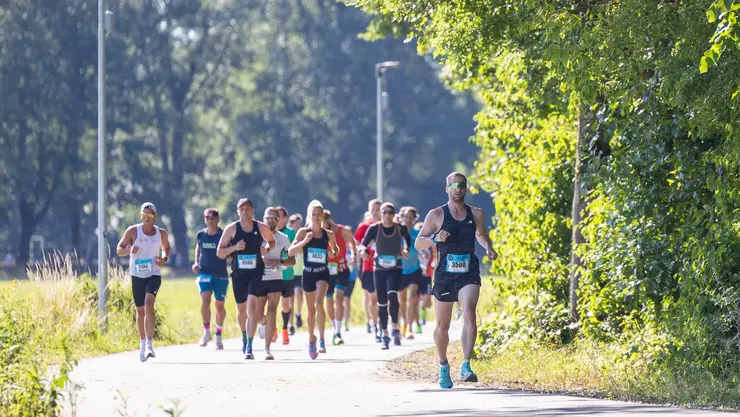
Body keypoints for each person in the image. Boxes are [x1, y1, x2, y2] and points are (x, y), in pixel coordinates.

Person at [415, 172, 499, 388]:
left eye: (461, 185)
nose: (458, 188)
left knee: (470, 313)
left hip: (468, 272)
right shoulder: (436, 215)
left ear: (466, 188)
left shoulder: (476, 213)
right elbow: (419, 242)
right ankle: (443, 365)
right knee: (443, 325)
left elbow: (481, 234)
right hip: (444, 274)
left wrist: (488, 248)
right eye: (453, 185)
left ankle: (466, 365)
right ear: (447, 188)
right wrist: (435, 237)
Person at [216, 198, 276, 360]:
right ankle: (244, 335)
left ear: (252, 210)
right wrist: (235, 247)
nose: (245, 212)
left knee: (252, 306)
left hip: (256, 272)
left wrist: (266, 248)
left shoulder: (261, 227)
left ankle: (249, 345)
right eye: (242, 209)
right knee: (241, 310)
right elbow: (220, 252)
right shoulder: (231, 229)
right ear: (238, 211)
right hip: (238, 274)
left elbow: (272, 241)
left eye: (248, 209)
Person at [116, 202, 171, 362]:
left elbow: (166, 248)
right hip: (137, 275)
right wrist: (128, 250)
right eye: (144, 215)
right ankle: (141, 343)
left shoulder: (161, 233)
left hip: (153, 274)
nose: (147, 219)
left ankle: (149, 344)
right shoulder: (133, 231)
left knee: (149, 305)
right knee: (140, 311)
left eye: (150, 215)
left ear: (155, 217)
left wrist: (164, 259)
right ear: (141, 216)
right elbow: (119, 249)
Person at [288, 200, 339, 359]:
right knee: (310, 310)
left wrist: (332, 252)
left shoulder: (328, 234)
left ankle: (322, 339)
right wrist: (305, 242)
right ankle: (312, 339)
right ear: (309, 215)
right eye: (313, 214)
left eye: (319, 214)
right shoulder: (303, 232)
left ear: (323, 216)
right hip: (308, 273)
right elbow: (290, 251)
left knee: (319, 303)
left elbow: (335, 250)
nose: (316, 217)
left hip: (322, 273)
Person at [359, 202, 411, 349]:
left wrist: (406, 249)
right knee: (381, 302)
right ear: (381, 214)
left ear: (394, 215)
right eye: (384, 212)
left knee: (393, 296)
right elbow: (363, 244)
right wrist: (363, 252)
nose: (387, 215)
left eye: (390, 212)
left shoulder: (400, 228)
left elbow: (408, 241)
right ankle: (384, 333)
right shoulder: (375, 228)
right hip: (379, 269)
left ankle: (395, 328)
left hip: (395, 268)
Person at [256, 207, 295, 359]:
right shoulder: (258, 236)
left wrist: (279, 261)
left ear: (279, 221)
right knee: (258, 314)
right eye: (268, 217)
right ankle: (263, 323)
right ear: (263, 219)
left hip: (276, 278)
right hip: (259, 278)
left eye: (274, 218)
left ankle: (267, 348)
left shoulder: (284, 238)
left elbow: (292, 260)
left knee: (272, 310)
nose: (271, 220)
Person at [192, 208, 229, 349]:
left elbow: (229, 250)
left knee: (219, 305)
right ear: (204, 219)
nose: (210, 220)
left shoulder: (223, 234)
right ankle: (206, 331)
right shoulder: (201, 234)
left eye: (213, 218)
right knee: (205, 300)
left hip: (220, 274)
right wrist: (196, 262)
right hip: (204, 273)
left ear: (218, 219)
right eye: (207, 218)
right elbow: (198, 247)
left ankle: (218, 334)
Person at [322, 209, 357, 345]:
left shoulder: (341, 230)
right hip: (326, 269)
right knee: (329, 300)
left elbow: (351, 241)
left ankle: (338, 331)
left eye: (324, 223)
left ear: (329, 220)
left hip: (342, 268)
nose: (322, 226)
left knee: (339, 297)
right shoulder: (320, 232)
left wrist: (353, 254)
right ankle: (334, 327)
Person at [355, 200, 381, 341]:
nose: (376, 212)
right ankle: (375, 325)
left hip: (385, 267)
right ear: (369, 210)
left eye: (378, 209)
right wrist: (361, 252)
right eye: (373, 209)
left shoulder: (387, 226)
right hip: (368, 266)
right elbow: (358, 244)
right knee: (372, 298)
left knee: (383, 298)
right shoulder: (363, 227)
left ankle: (382, 323)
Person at [400, 207, 422, 340]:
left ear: (414, 219)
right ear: (401, 218)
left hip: (414, 269)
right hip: (400, 270)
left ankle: (409, 326)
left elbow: (425, 247)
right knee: (401, 300)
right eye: (406, 217)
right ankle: (403, 322)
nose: (408, 220)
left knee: (413, 296)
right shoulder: (398, 233)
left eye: (411, 217)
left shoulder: (417, 233)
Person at [276, 206, 297, 344]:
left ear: (285, 218)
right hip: (271, 274)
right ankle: (272, 330)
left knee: (285, 304)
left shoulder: (291, 233)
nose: (276, 219)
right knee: (271, 304)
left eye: (279, 216)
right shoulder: (267, 232)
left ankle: (284, 328)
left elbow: (295, 250)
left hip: (287, 274)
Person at [289, 214, 305, 330]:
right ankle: (290, 324)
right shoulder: (288, 236)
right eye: (296, 223)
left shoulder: (304, 236)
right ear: (291, 224)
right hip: (290, 271)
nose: (298, 225)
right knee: (290, 298)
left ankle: (298, 314)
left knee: (299, 294)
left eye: (300, 223)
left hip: (301, 271)